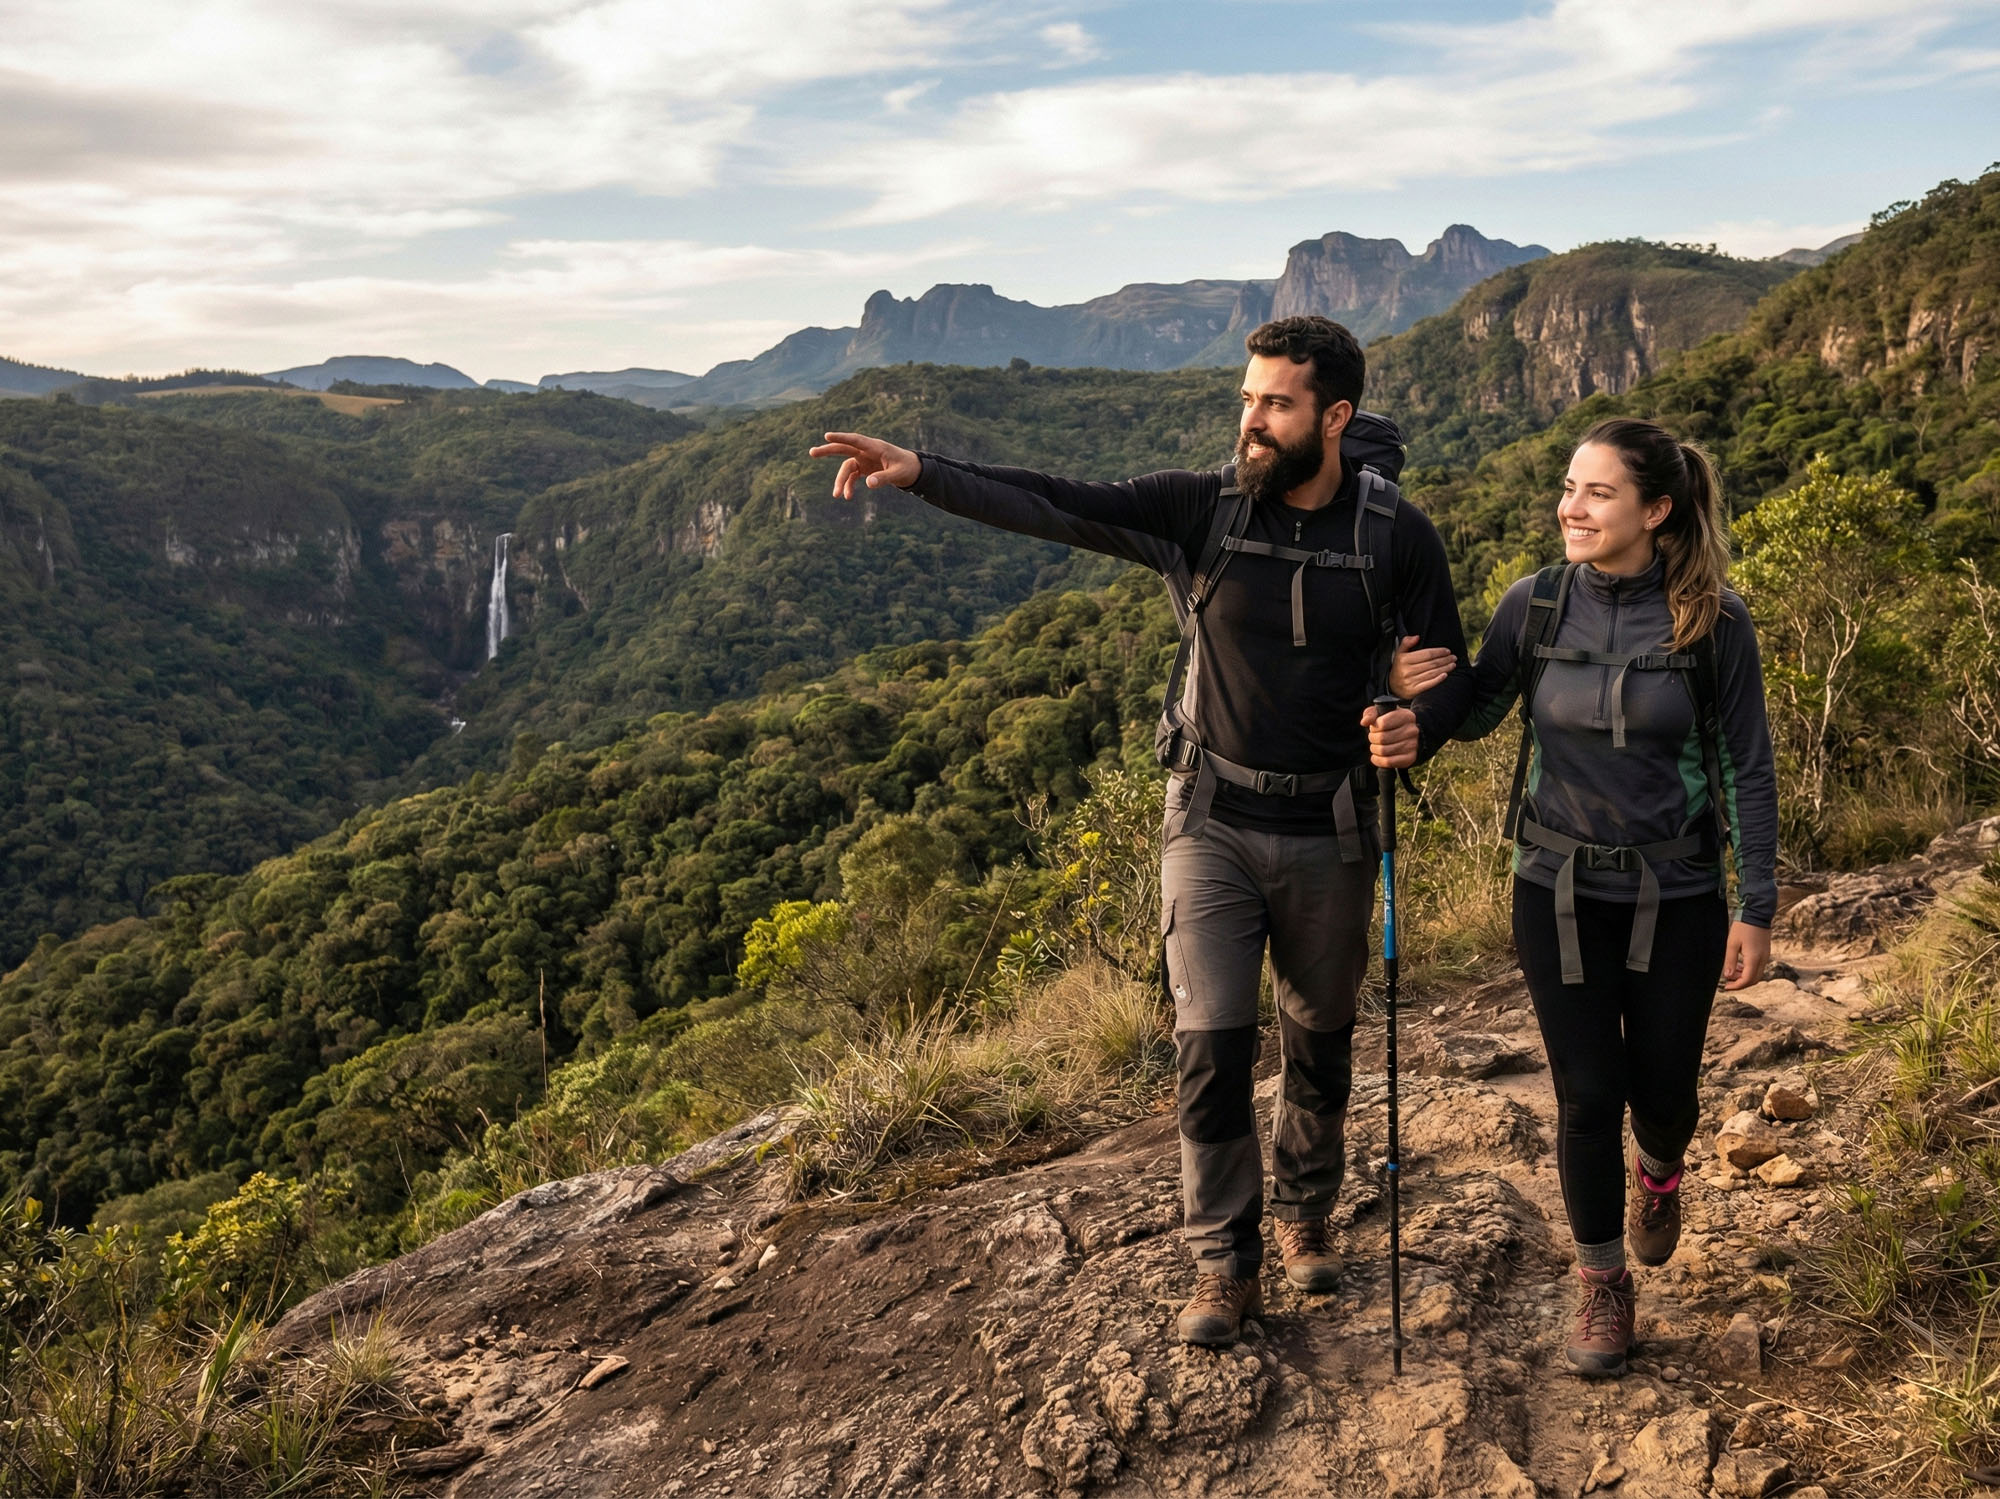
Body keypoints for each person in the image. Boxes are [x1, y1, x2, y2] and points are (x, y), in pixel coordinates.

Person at [812, 317, 1472, 1345]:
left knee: (1319, 1040)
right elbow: (1055, 500)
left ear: (1334, 416)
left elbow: (1449, 680)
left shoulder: (1396, 536)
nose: (1251, 419)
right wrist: (925, 472)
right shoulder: (1198, 508)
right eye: (1247, 398)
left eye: (1276, 403)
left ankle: (1304, 1211)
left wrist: (1414, 725)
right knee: (1210, 1047)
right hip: (1210, 818)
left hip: (1331, 823)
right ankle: (1223, 1260)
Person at [1382, 416, 1777, 1377]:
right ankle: (1603, 1281)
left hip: (1677, 893)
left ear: (1657, 509)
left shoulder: (1714, 622)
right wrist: (1405, 701)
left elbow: (1746, 768)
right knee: (1588, 1095)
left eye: (1598, 492)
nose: (1573, 507)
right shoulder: (1536, 603)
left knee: (1665, 1096)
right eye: (1569, 487)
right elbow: (1477, 706)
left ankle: (1661, 1172)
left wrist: (1755, 904)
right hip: (1554, 888)